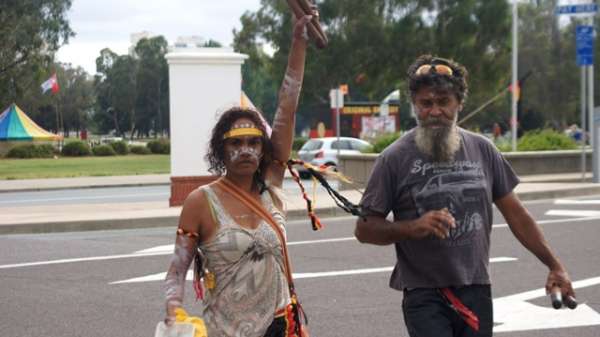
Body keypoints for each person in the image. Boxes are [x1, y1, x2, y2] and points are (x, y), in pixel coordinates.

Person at [354, 54, 576, 337]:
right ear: (415, 106)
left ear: (458, 103)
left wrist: (555, 266)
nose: (435, 111)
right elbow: (364, 229)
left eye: (444, 102)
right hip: (425, 296)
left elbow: (517, 215)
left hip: (476, 290)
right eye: (426, 103)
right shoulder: (393, 158)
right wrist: (413, 227)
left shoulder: (483, 150)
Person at [163, 13, 313, 337]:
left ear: (263, 149)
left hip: (281, 325)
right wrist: (173, 309)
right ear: (221, 149)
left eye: (253, 142)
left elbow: (287, 107)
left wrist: (298, 42)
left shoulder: (270, 186)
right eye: (236, 143)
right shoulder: (201, 202)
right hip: (227, 330)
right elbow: (177, 271)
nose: (245, 149)